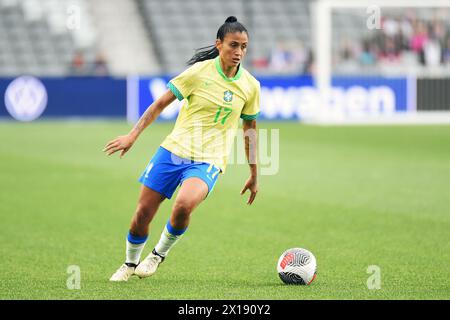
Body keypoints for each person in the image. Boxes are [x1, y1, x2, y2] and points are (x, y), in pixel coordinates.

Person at [104, 16, 260, 281]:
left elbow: (250, 131)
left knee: (184, 205)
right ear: (219, 44)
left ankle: (157, 255)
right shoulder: (198, 73)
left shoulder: (250, 86)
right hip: (173, 151)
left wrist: (254, 173)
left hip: (209, 160)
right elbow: (159, 104)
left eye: (244, 46)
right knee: (142, 213)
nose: (239, 52)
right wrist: (133, 135)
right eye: (234, 45)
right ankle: (130, 263)